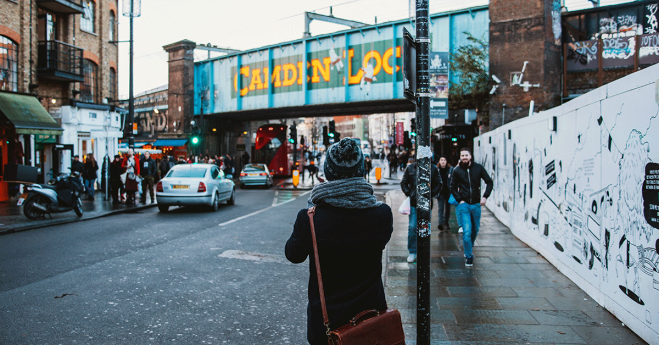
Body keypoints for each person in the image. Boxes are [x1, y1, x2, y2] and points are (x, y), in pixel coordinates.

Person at [285, 138, 393, 345]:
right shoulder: (382, 215)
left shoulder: (310, 218)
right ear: (362, 170)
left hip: (327, 324)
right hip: (370, 318)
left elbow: (293, 254)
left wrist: (315, 205)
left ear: (328, 173)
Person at [450, 147, 493, 267]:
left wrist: (485, 197)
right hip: (464, 205)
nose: (464, 157)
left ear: (470, 157)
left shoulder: (478, 168)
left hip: (476, 205)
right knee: (467, 231)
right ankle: (468, 255)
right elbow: (452, 187)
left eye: (466, 155)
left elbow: (489, 182)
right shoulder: (457, 170)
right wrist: (460, 200)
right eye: (462, 155)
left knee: (475, 230)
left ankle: (469, 246)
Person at [400, 155, 442, 263]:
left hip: (427, 204)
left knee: (425, 228)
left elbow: (439, 183)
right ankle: (412, 251)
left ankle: (423, 250)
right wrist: (409, 193)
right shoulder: (410, 168)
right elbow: (403, 182)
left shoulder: (433, 168)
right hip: (414, 203)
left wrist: (431, 194)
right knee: (413, 227)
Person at [436, 156, 454, 231]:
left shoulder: (450, 170)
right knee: (441, 208)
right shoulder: (437, 170)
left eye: (444, 160)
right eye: (441, 160)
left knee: (447, 208)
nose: (443, 161)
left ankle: (446, 222)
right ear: (439, 162)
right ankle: (440, 223)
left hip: (448, 192)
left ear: (446, 161)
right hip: (440, 192)